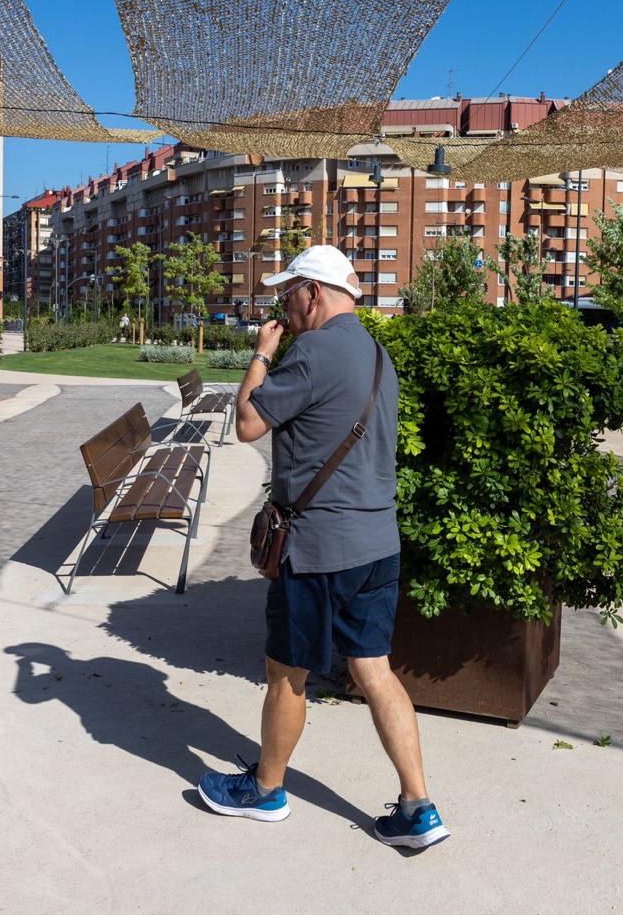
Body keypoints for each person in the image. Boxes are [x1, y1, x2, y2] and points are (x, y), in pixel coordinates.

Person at [195, 245, 447, 850]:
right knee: (375, 670)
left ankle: (265, 792)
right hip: (377, 545)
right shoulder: (377, 353)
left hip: (318, 551)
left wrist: (261, 354)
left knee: (287, 674)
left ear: (312, 293)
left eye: (288, 294)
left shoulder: (311, 350)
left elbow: (249, 422)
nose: (283, 306)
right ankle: (419, 808)